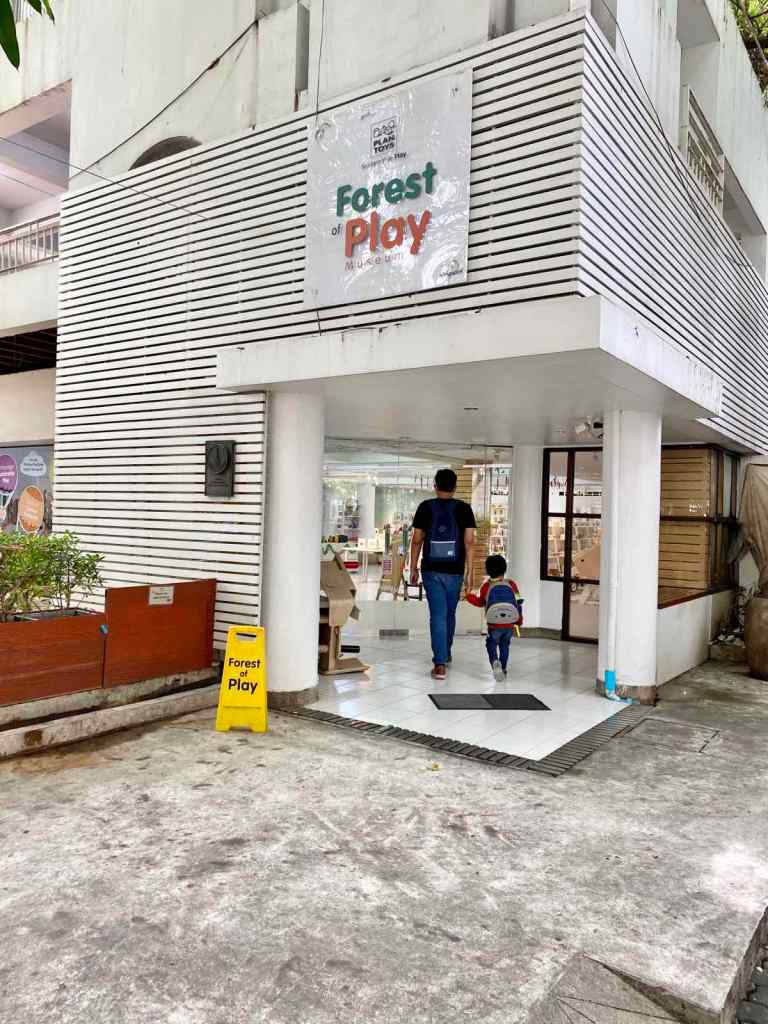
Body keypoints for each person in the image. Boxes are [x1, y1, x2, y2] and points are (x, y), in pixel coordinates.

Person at [410, 469, 476, 679]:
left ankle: (439, 664)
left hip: (431, 570)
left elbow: (417, 539)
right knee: (449, 614)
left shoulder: (425, 507)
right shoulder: (464, 509)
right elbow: (470, 542)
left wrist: (412, 567)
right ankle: (445, 653)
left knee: (437, 615)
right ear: (455, 487)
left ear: (435, 486)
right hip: (455, 570)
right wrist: (470, 573)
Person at [467, 554, 524, 682]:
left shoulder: (486, 586)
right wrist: (519, 619)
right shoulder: (512, 584)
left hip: (494, 625)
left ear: (488, 570)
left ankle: (494, 662)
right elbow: (519, 602)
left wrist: (469, 596)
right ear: (504, 569)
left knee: (491, 643)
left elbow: (480, 602)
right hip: (509, 624)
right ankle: (503, 668)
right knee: (505, 645)